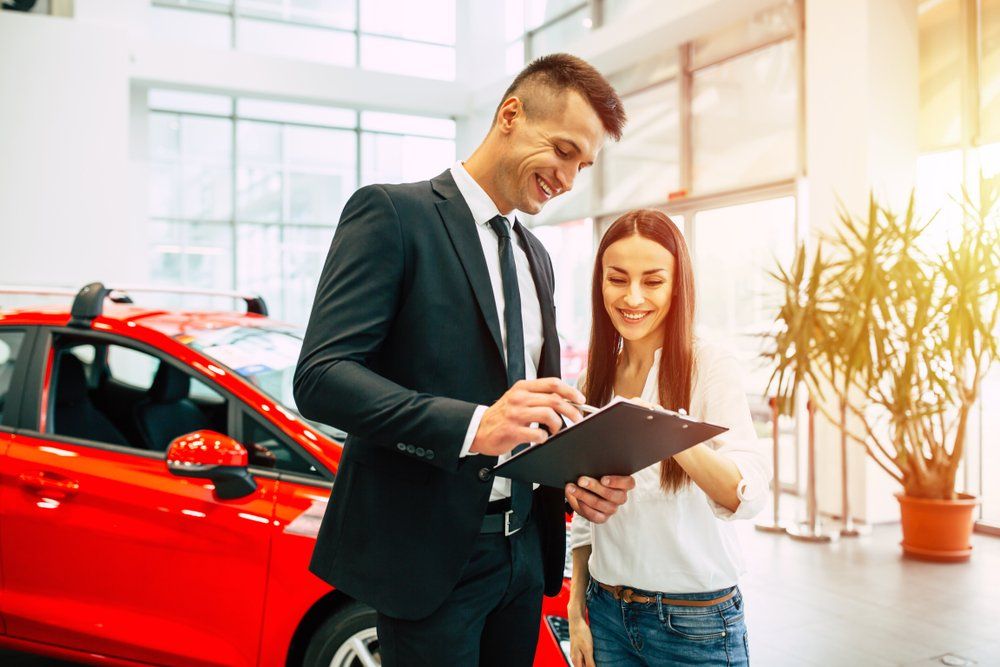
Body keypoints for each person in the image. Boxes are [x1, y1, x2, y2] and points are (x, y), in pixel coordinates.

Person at [293, 54, 634, 666]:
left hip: (524, 555)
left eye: (581, 165)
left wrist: (574, 473)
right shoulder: (393, 214)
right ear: (510, 115)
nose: (567, 178)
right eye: (561, 151)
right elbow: (321, 376)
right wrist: (475, 426)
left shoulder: (536, 255)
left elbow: (526, 405)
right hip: (430, 560)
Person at [565, 209, 771, 667]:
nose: (632, 297)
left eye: (653, 281)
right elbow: (586, 518)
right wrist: (577, 609)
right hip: (606, 613)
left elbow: (749, 495)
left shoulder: (709, 366)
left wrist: (665, 431)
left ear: (677, 286)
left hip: (693, 624)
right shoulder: (591, 381)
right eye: (617, 279)